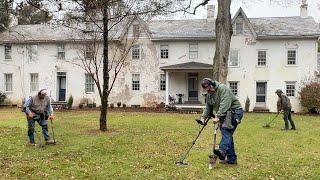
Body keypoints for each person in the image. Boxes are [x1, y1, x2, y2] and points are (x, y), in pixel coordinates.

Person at [199, 78, 243, 165]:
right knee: (227, 134)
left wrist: (218, 116)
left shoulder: (222, 88)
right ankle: (232, 159)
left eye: (209, 89)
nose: (208, 91)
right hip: (225, 114)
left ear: (212, 85)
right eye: (206, 90)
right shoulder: (209, 94)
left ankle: (222, 151)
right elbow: (208, 106)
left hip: (234, 112)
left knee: (226, 131)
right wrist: (203, 117)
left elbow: (225, 103)